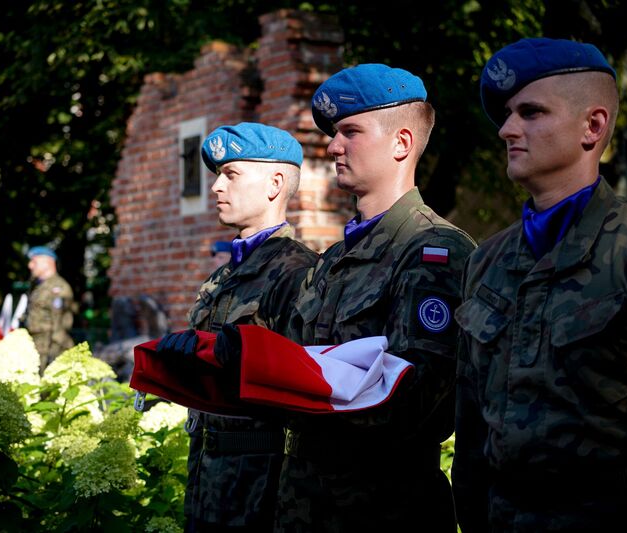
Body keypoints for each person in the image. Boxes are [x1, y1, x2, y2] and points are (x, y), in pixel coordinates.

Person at [147, 64, 476, 531]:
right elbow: (295, 367)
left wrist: (276, 371)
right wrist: (220, 363)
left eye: (350, 132)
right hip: (301, 507)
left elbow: (416, 403)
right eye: (334, 134)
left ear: (402, 143)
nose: (333, 146)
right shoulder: (333, 260)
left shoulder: (433, 250)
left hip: (379, 510)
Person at [452, 37, 627, 532]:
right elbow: (472, 428)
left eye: (531, 112)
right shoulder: (487, 261)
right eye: (507, 115)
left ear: (593, 126)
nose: (507, 129)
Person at [181, 123, 318, 532]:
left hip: (262, 492)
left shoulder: (299, 273)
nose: (216, 187)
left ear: (275, 184)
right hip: (207, 482)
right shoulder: (221, 277)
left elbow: (301, 388)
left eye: (231, 174)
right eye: (217, 175)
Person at [25, 245, 75, 372]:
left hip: (48, 350)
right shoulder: (37, 287)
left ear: (47, 263)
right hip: (35, 347)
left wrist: (54, 357)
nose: (30, 266)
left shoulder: (59, 288)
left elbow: (60, 325)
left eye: (34, 262)